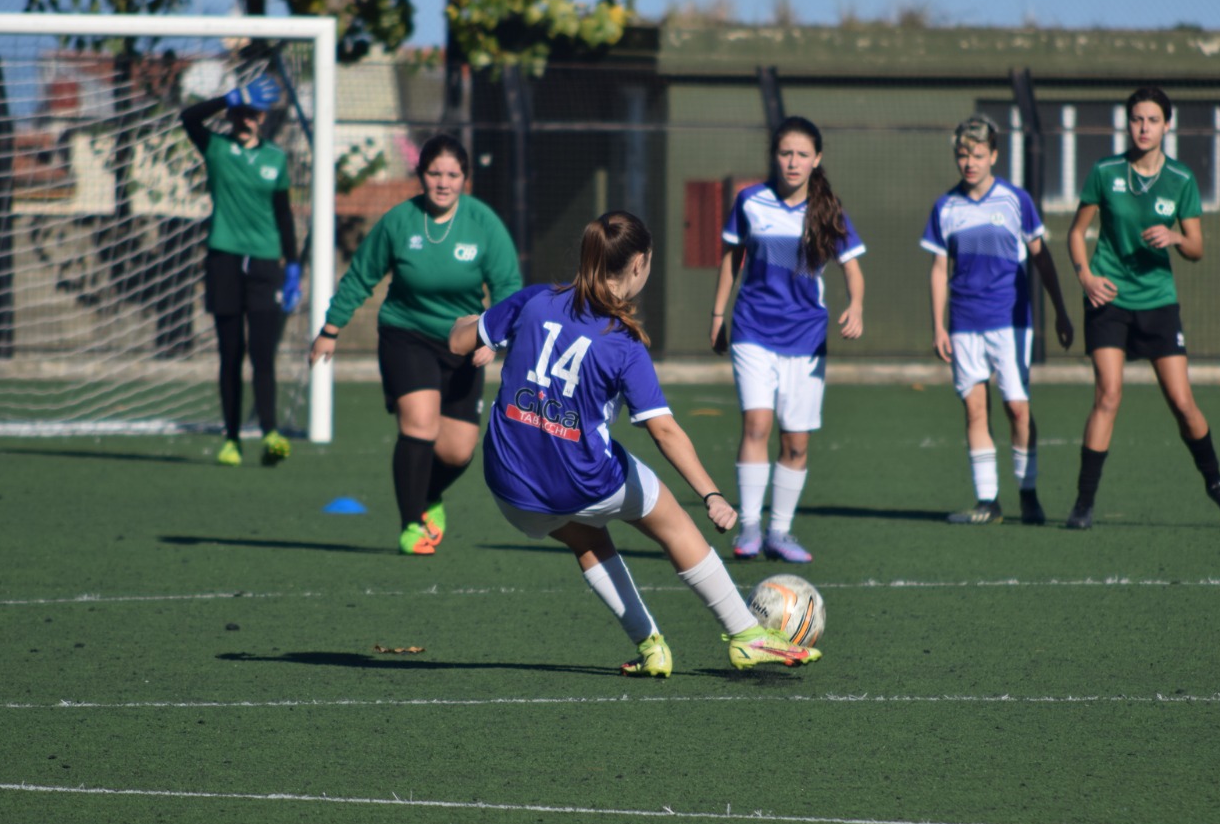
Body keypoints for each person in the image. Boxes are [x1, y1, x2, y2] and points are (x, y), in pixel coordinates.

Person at [448, 211, 820, 676]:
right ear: (640, 264)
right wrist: (712, 495)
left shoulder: (535, 299)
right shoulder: (623, 344)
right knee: (674, 525)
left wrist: (472, 322)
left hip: (509, 485)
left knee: (586, 537)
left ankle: (652, 647)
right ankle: (746, 634)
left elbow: (461, 342)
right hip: (580, 480)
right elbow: (663, 430)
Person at [311, 135, 521, 555]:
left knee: (458, 451)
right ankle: (411, 526)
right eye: (434, 173)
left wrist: (494, 338)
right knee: (420, 425)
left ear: (464, 179)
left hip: (463, 341)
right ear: (420, 175)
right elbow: (360, 277)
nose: (443, 182)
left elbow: (508, 289)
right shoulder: (399, 222)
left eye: (452, 174)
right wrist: (330, 329)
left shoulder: (483, 224)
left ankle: (427, 496)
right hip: (406, 334)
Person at [1065, 86, 1220, 529]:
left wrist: (1177, 239)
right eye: (1136, 120)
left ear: (1167, 125)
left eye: (1152, 120)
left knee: (1182, 403)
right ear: (1127, 124)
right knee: (1108, 394)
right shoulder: (1105, 171)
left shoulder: (1181, 179)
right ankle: (1084, 503)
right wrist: (1086, 277)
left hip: (1158, 302)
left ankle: (1216, 483)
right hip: (1108, 298)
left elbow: (1198, 248)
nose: (1143, 128)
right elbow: (1076, 233)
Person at [708, 116, 866, 564]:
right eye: (785, 153)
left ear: (817, 159)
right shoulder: (750, 202)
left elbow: (852, 269)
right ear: (774, 156)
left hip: (807, 337)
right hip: (753, 330)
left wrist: (855, 305)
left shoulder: (828, 210)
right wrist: (718, 314)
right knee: (756, 425)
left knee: (796, 443)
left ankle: (780, 532)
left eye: (801, 154)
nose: (792, 162)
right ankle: (751, 528)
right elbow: (731, 259)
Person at [923, 115, 1074, 525]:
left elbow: (1041, 258)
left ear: (993, 155)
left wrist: (1060, 309)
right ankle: (988, 501)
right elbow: (939, 269)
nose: (969, 162)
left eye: (977, 154)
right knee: (975, 411)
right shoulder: (946, 206)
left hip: (1010, 322)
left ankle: (1028, 492)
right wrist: (938, 324)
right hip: (964, 323)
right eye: (962, 154)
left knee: (1017, 408)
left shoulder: (1015, 200)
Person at [181, 76, 300, 468]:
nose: (251, 119)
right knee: (230, 354)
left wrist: (294, 264)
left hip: (266, 266)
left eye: (256, 113)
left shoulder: (275, 159)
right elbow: (189, 117)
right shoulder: (216, 148)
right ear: (234, 115)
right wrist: (228, 98)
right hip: (225, 261)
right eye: (244, 112)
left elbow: (283, 215)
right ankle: (231, 438)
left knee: (263, 354)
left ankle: (270, 432)